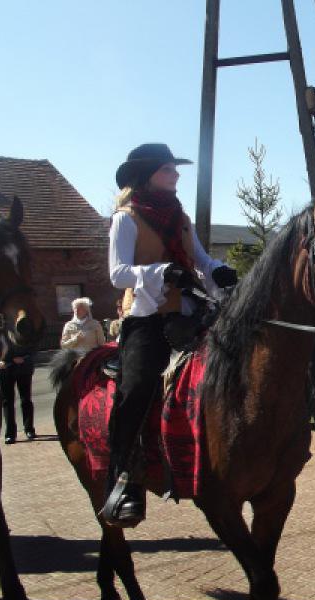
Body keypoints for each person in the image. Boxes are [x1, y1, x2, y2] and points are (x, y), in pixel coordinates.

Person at [101, 143, 238, 527]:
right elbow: (117, 274)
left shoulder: (180, 216)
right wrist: (161, 272)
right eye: (168, 169)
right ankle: (124, 479)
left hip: (191, 313)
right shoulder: (125, 219)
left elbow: (200, 260)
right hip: (147, 318)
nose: (176, 175)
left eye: (174, 169)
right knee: (137, 388)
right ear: (147, 176)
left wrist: (218, 270)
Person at [0, 332, 36, 444]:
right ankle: (10, 434)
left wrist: (24, 359)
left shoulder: (22, 329)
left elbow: (33, 349)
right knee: (7, 402)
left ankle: (29, 429)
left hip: (23, 369)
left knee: (26, 400)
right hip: (5, 370)